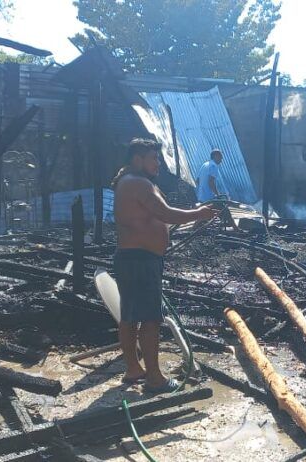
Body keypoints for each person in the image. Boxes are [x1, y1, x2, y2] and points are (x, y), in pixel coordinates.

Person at [111, 138, 217, 393]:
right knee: (150, 319)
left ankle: (134, 369)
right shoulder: (137, 183)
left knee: (130, 317)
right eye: (153, 158)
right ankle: (155, 378)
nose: (158, 163)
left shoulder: (130, 182)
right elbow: (166, 214)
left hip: (134, 258)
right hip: (140, 260)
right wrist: (199, 213)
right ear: (138, 159)